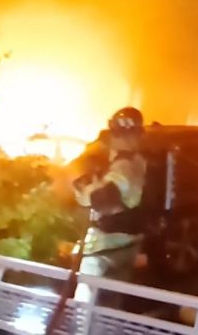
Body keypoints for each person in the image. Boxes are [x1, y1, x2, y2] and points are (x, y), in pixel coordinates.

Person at [73, 107, 148, 285]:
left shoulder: (123, 165)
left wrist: (83, 189)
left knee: (85, 299)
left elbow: (103, 199)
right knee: (112, 296)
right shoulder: (137, 161)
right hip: (127, 243)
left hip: (104, 247)